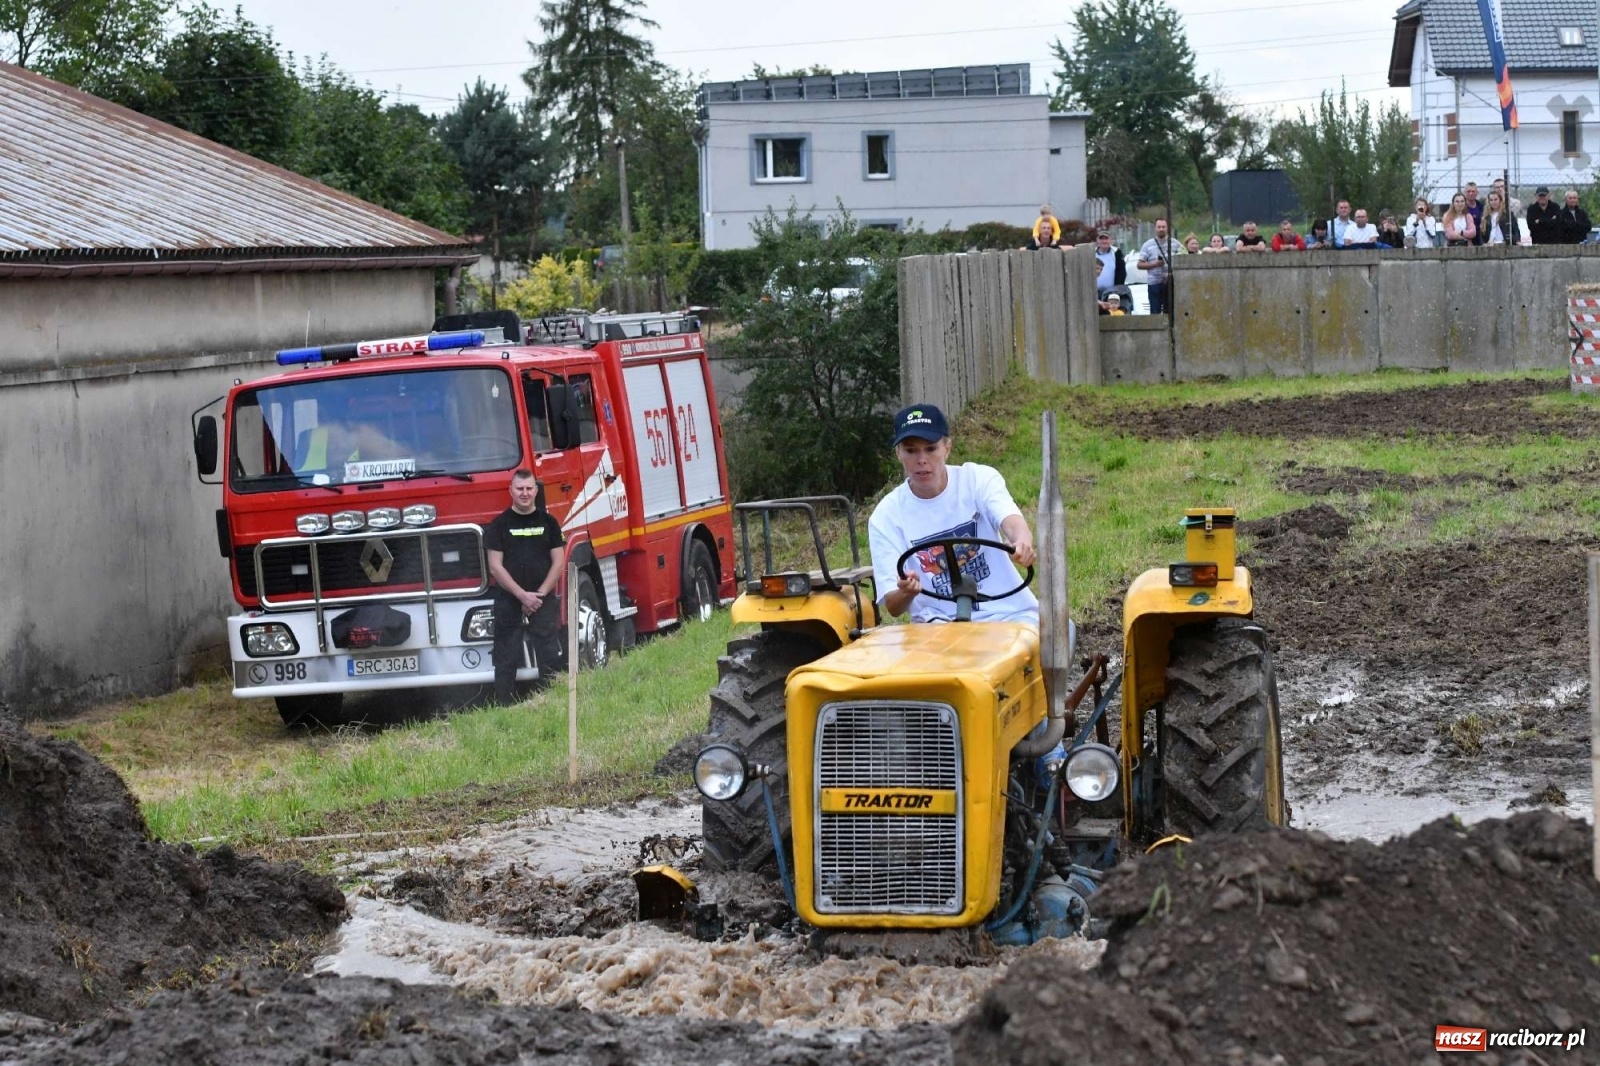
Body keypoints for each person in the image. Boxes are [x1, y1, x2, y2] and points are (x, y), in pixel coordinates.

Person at [869, 404, 1039, 625]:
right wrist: (906, 591)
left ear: (947, 448)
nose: (921, 459)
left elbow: (1010, 519)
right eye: (911, 450)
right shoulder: (885, 516)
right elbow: (893, 605)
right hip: (938, 626)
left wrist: (1022, 542)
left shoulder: (978, 479)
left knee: (1048, 642)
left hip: (1009, 616)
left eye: (930, 449)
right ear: (898, 453)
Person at [485, 469, 567, 703]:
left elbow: (559, 562)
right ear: (510, 491)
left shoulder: (549, 523)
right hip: (509, 599)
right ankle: (504, 706)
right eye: (519, 489)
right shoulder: (498, 526)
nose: (525, 493)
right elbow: (495, 567)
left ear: (536, 491)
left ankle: (551, 701)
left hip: (542, 599)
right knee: (505, 655)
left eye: (529, 488)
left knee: (549, 652)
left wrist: (539, 595)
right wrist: (522, 596)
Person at [1136, 218, 1179, 314]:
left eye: (1163, 227)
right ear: (1155, 228)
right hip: (1154, 284)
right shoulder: (1147, 245)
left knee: (1170, 312)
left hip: (1170, 283)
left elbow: (1184, 258)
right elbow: (1139, 265)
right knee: (1155, 312)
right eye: (1159, 227)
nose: (1161, 229)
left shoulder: (1175, 244)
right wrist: (1154, 264)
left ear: (1167, 228)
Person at [1091, 230, 1126, 295]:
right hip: (1094, 293)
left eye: (1106, 239)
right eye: (1101, 239)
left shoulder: (1117, 253)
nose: (1104, 241)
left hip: (1112, 293)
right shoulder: (1091, 253)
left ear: (1110, 240)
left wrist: (1117, 290)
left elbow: (1122, 273)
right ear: (1097, 240)